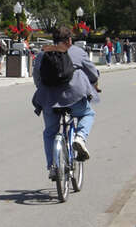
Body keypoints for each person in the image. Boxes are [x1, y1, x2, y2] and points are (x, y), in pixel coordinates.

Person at [32, 26, 100, 180]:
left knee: (50, 132)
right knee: (88, 113)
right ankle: (80, 138)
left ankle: (52, 167)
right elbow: (93, 73)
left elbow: (37, 78)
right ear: (69, 40)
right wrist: (94, 84)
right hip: (73, 96)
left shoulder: (43, 53)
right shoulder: (77, 51)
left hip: (49, 99)